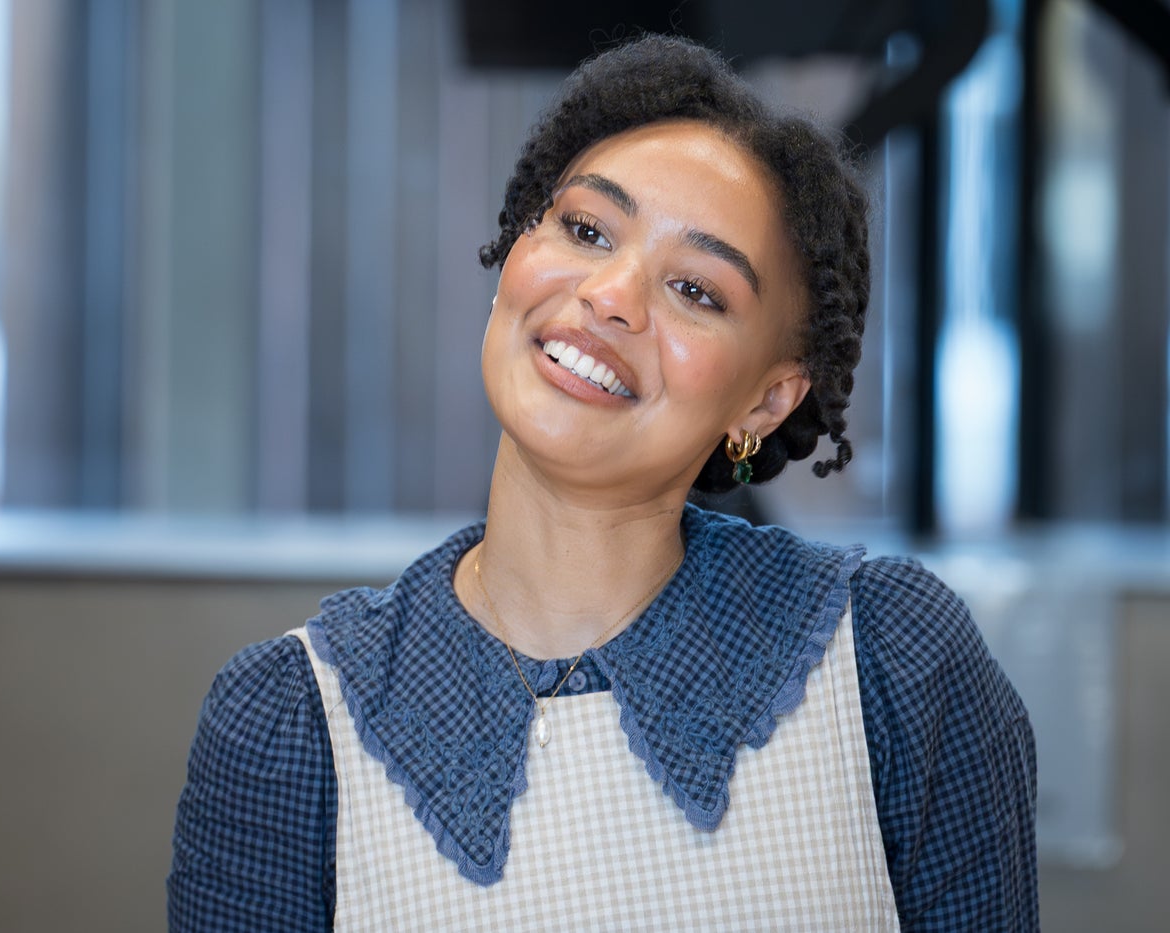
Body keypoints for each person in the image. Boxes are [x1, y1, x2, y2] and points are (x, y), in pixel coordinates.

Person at [167, 34, 1037, 931]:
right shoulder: (289, 725)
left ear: (767, 402)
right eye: (585, 230)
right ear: (516, 251)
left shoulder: (895, 665)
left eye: (697, 290)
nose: (612, 295)